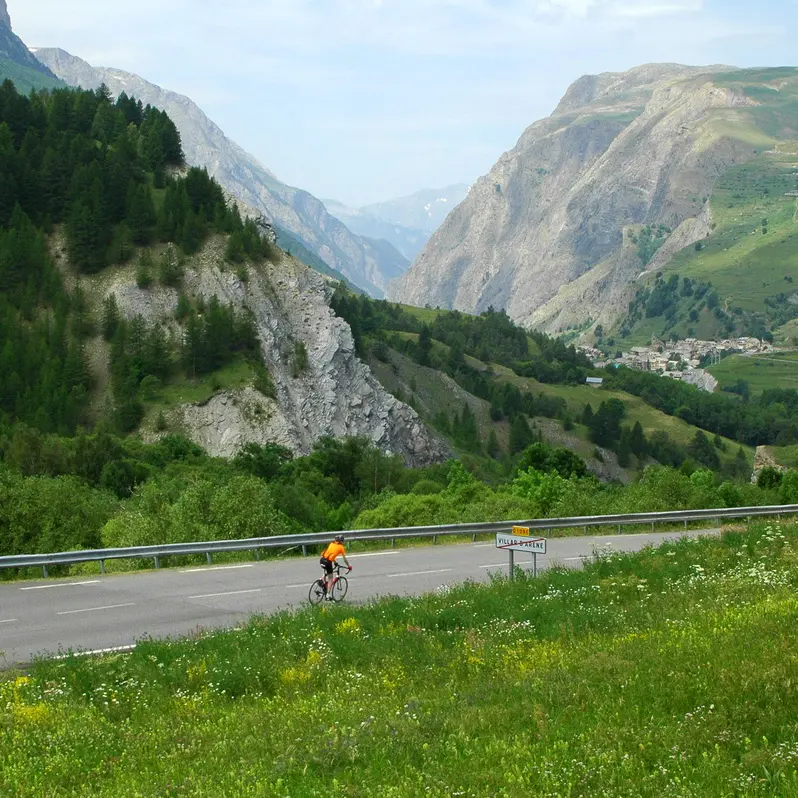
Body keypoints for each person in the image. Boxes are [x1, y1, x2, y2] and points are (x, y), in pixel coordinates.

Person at [319, 534, 352, 599]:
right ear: (341, 541)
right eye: (343, 541)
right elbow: (345, 559)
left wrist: (335, 562)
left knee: (327, 571)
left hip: (322, 560)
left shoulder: (331, 544)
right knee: (330, 578)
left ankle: (321, 580)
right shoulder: (341, 547)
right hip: (328, 562)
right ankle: (328, 596)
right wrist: (348, 566)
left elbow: (330, 555)